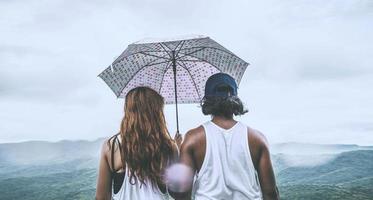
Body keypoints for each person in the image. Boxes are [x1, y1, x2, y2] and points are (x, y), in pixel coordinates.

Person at [176, 73, 279, 200]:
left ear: (207, 100)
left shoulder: (192, 138)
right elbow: (270, 193)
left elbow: (182, 193)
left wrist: (177, 151)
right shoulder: (258, 139)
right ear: (235, 98)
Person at [96, 87, 179, 200]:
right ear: (157, 113)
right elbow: (177, 193)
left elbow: (101, 197)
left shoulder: (111, 147)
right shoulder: (169, 147)